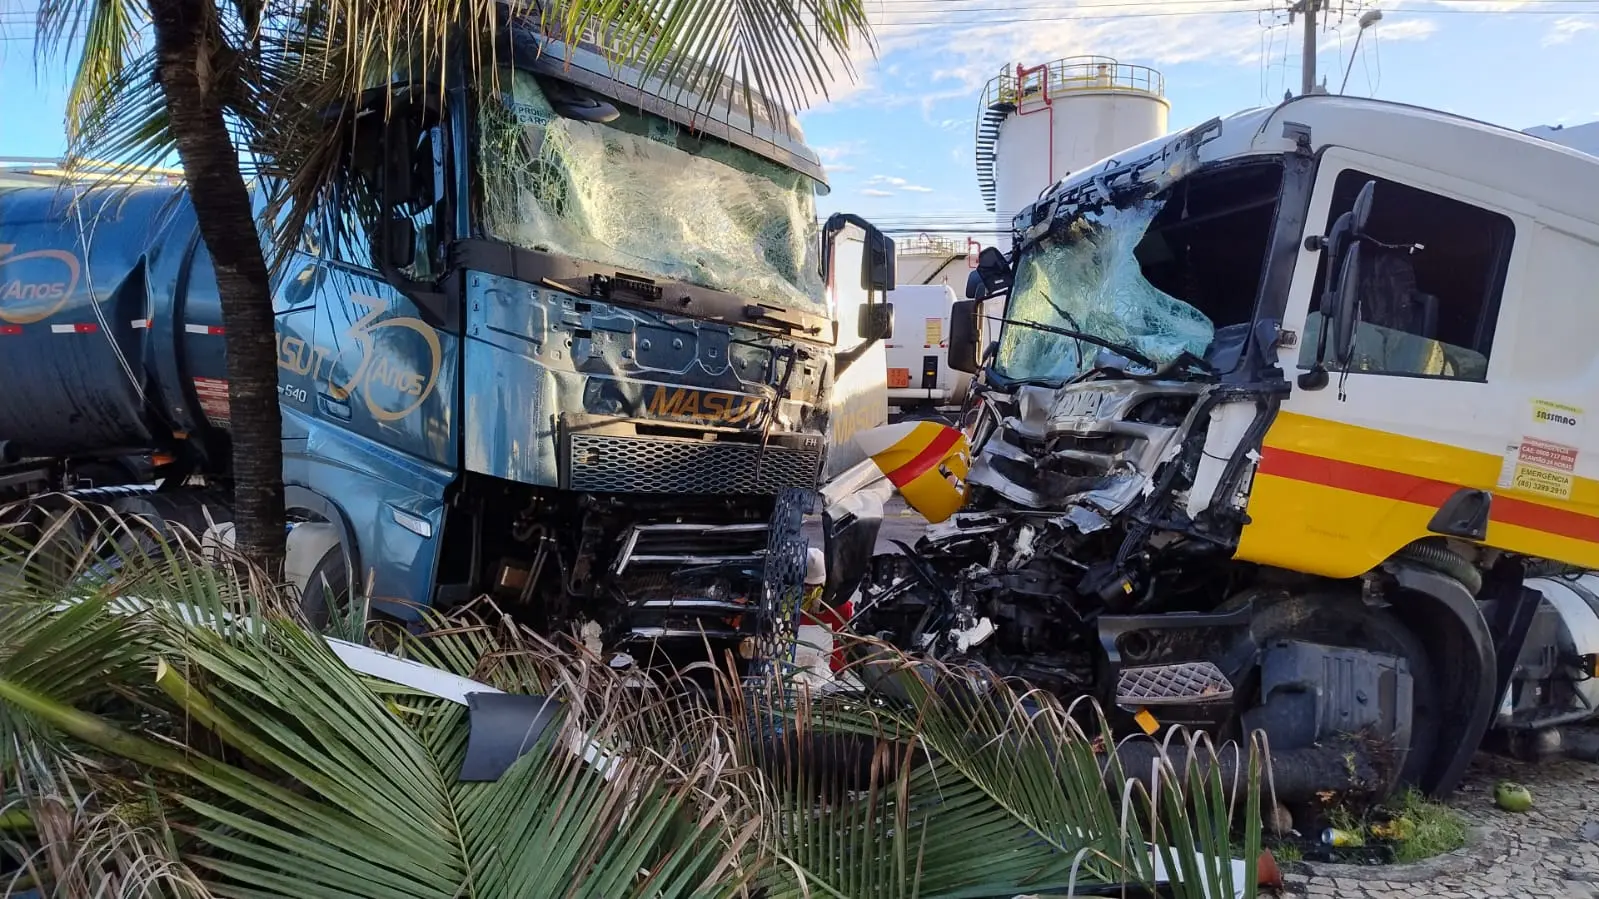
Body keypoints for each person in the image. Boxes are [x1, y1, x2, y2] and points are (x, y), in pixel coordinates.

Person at [798, 546, 853, 674]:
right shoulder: (788, 603)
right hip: (800, 664)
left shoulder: (840, 607)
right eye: (807, 585)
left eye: (814, 585)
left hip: (829, 669)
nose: (810, 589)